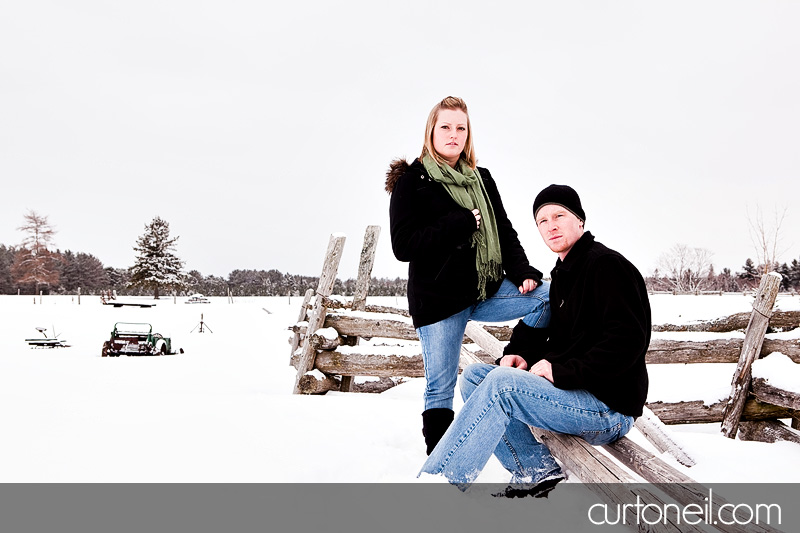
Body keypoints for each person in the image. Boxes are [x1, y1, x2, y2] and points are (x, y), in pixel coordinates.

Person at [419, 184, 651, 496]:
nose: (551, 225)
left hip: (608, 407)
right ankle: (535, 471)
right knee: (475, 377)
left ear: (579, 221)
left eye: (559, 215)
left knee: (502, 385)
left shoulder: (606, 265)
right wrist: (521, 354)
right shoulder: (563, 275)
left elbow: (628, 341)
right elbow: (548, 334)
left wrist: (562, 372)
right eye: (542, 220)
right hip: (576, 395)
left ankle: (440, 486)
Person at [386, 96, 550, 454]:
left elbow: (503, 231)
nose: (453, 134)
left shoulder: (481, 178)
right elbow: (403, 245)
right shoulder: (412, 180)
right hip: (439, 300)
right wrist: (458, 222)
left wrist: (521, 269)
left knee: (547, 295)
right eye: (445, 126)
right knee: (440, 388)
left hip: (483, 289)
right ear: (431, 131)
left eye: (461, 128)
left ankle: (514, 363)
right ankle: (441, 463)